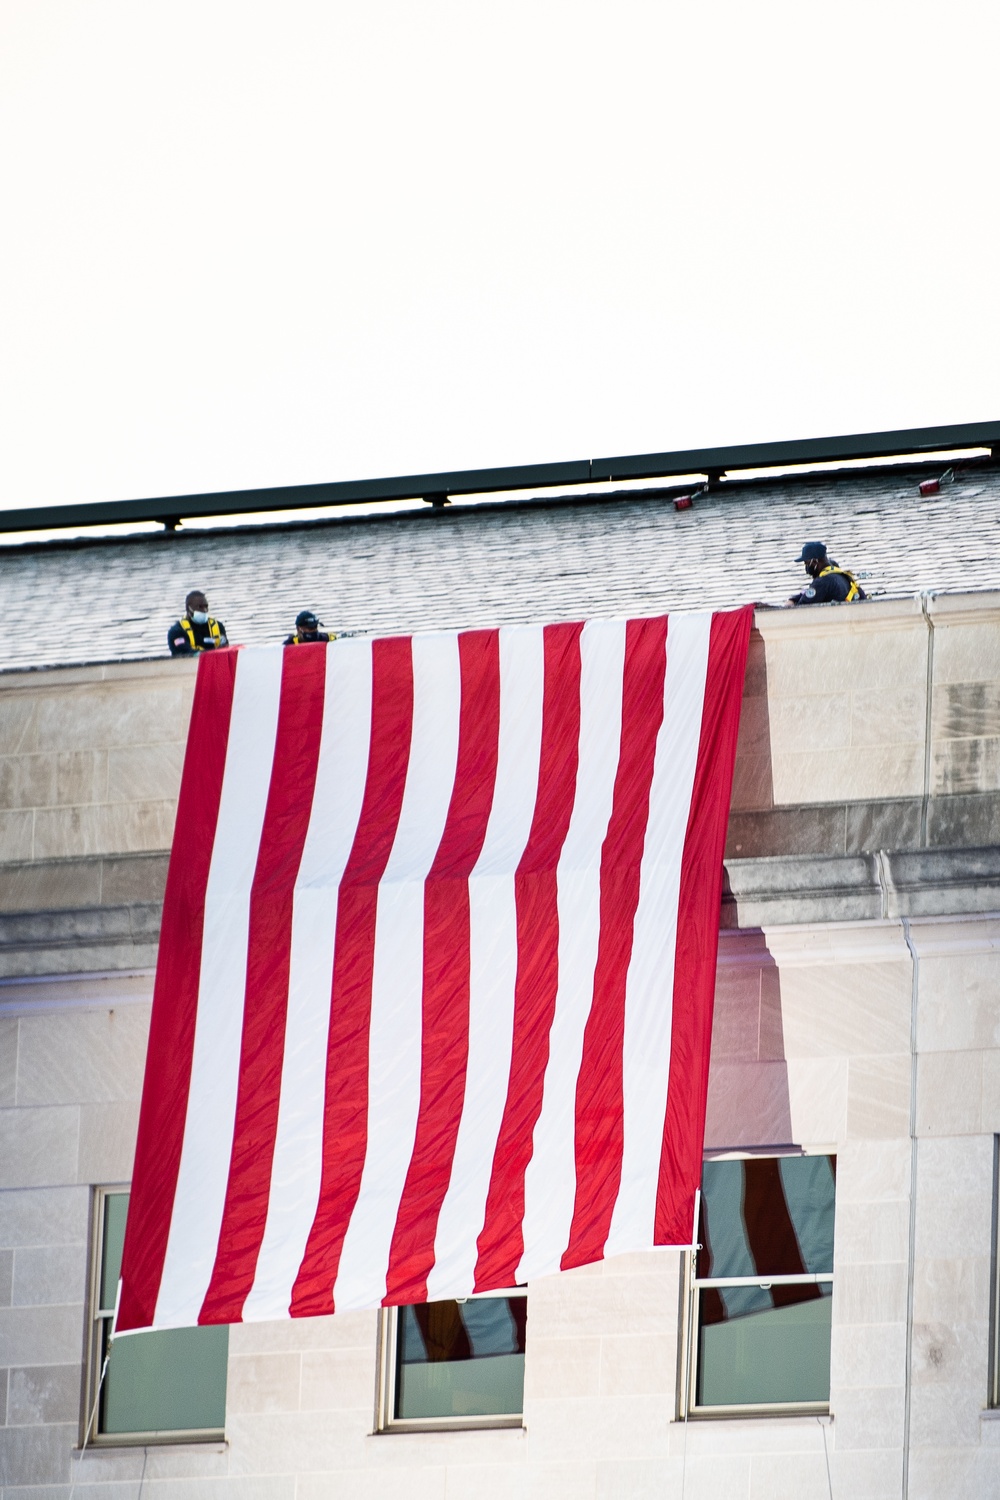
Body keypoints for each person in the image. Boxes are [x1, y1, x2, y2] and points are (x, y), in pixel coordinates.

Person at [789, 542, 866, 606]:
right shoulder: (841, 575)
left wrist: (791, 603)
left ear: (815, 561)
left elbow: (801, 607)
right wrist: (793, 599)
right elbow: (810, 593)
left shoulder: (822, 582)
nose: (806, 567)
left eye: (806, 563)